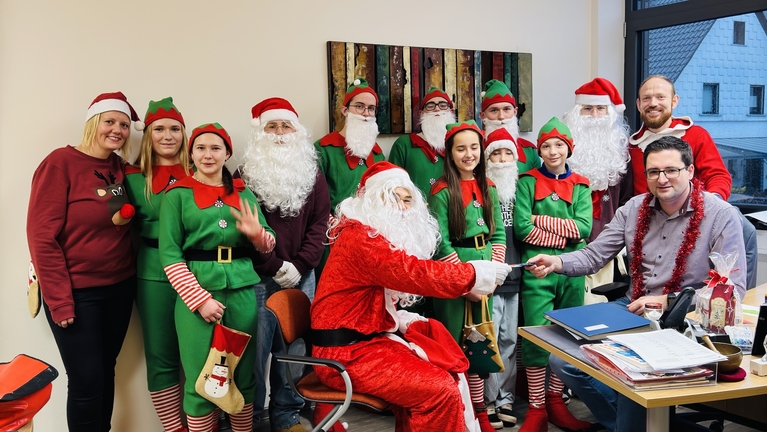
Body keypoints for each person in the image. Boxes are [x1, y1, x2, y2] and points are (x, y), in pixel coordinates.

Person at [528, 136, 747, 432]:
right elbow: (594, 255)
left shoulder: (720, 215)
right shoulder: (633, 208)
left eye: (671, 170)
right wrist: (556, 262)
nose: (662, 179)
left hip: (687, 318)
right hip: (633, 307)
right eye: (654, 172)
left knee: (636, 375)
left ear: (690, 171)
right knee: (563, 360)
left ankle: (636, 423)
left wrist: (668, 301)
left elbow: (733, 289)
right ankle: (638, 424)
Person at [310, 161, 511, 432]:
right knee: (439, 390)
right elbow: (414, 273)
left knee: (445, 372)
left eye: (408, 200)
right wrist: (474, 274)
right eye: (394, 198)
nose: (404, 208)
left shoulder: (368, 234)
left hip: (362, 345)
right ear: (372, 200)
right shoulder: (361, 237)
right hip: (345, 355)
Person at [27, 91, 140, 432]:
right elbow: (41, 237)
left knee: (105, 372)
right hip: (77, 292)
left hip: (119, 288)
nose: (117, 130)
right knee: (86, 382)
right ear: (93, 123)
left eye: (124, 124)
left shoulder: (119, 168)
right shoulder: (59, 163)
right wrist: (59, 300)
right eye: (110, 121)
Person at [159, 123, 276, 432]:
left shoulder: (243, 192)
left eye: (215, 148)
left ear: (227, 153)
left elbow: (268, 242)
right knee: (202, 378)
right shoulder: (177, 195)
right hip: (197, 293)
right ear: (191, 153)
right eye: (200, 148)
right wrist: (199, 301)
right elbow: (169, 254)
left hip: (242, 290)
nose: (208, 155)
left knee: (243, 375)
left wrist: (257, 235)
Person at [237, 98, 330, 432]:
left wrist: (300, 266)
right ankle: (249, 418)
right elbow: (242, 228)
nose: (279, 133)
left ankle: (287, 415)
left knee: (295, 350)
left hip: (303, 276)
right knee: (255, 350)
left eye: (285, 126)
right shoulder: (243, 176)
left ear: (296, 131)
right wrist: (276, 265)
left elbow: (320, 225)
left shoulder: (312, 173)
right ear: (260, 133)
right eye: (271, 126)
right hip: (258, 276)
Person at [630, 75, 758, 289]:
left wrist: (710, 208)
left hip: (696, 213)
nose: (653, 103)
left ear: (674, 101)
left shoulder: (696, 135)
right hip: (652, 218)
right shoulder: (631, 146)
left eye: (660, 97)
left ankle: (737, 298)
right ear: (638, 104)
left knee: (745, 229)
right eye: (646, 98)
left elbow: (718, 176)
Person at [513, 117, 593, 432]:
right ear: (539, 150)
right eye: (546, 145)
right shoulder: (527, 182)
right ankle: (537, 409)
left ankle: (556, 401)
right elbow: (521, 229)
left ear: (569, 148)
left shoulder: (581, 184)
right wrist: (565, 239)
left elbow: (583, 229)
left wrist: (539, 220)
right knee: (536, 336)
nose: (553, 151)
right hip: (537, 270)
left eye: (559, 144)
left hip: (573, 270)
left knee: (568, 336)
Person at [428, 120, 506, 432]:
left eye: (474, 147)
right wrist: (464, 284)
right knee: (455, 347)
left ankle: (480, 412)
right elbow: (440, 243)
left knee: (480, 346)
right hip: (455, 275)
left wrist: (493, 276)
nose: (469, 154)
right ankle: (458, 414)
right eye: (461, 148)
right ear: (450, 153)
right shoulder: (441, 191)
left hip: (485, 273)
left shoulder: (489, 187)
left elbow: (498, 234)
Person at [124, 97, 193, 432]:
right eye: (160, 129)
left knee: (201, 353)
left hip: (198, 270)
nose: (168, 136)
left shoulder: (201, 172)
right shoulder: (131, 178)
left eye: (175, 129)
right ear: (148, 134)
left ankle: (202, 423)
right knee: (161, 355)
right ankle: (174, 427)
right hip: (153, 274)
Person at [563, 78, 633, 299]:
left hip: (607, 247)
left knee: (599, 305)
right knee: (570, 306)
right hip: (567, 247)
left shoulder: (622, 153)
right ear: (577, 113)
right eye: (587, 108)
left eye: (600, 108)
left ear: (610, 113)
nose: (594, 116)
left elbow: (627, 201)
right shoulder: (560, 151)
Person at [314, 77, 386, 279]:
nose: (366, 113)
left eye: (371, 109)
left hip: (370, 238)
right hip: (333, 237)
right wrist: (335, 226)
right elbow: (314, 199)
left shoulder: (378, 153)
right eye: (359, 106)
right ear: (345, 110)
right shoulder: (323, 149)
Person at [482, 128, 523, 429]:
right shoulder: (482, 190)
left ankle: (505, 399)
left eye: (508, 152)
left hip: (517, 273)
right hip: (491, 275)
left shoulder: (522, 189)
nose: (503, 158)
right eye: (496, 153)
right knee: (490, 338)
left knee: (509, 338)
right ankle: (487, 399)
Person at [388, 86, 456, 198]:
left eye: (443, 105)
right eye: (430, 106)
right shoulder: (404, 144)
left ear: (451, 111)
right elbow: (392, 185)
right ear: (421, 113)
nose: (437, 109)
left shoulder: (457, 145)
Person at [479, 79, 539, 174]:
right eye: (494, 110)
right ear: (483, 115)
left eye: (506, 109)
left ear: (515, 112)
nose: (501, 116)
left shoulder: (530, 151)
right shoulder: (474, 149)